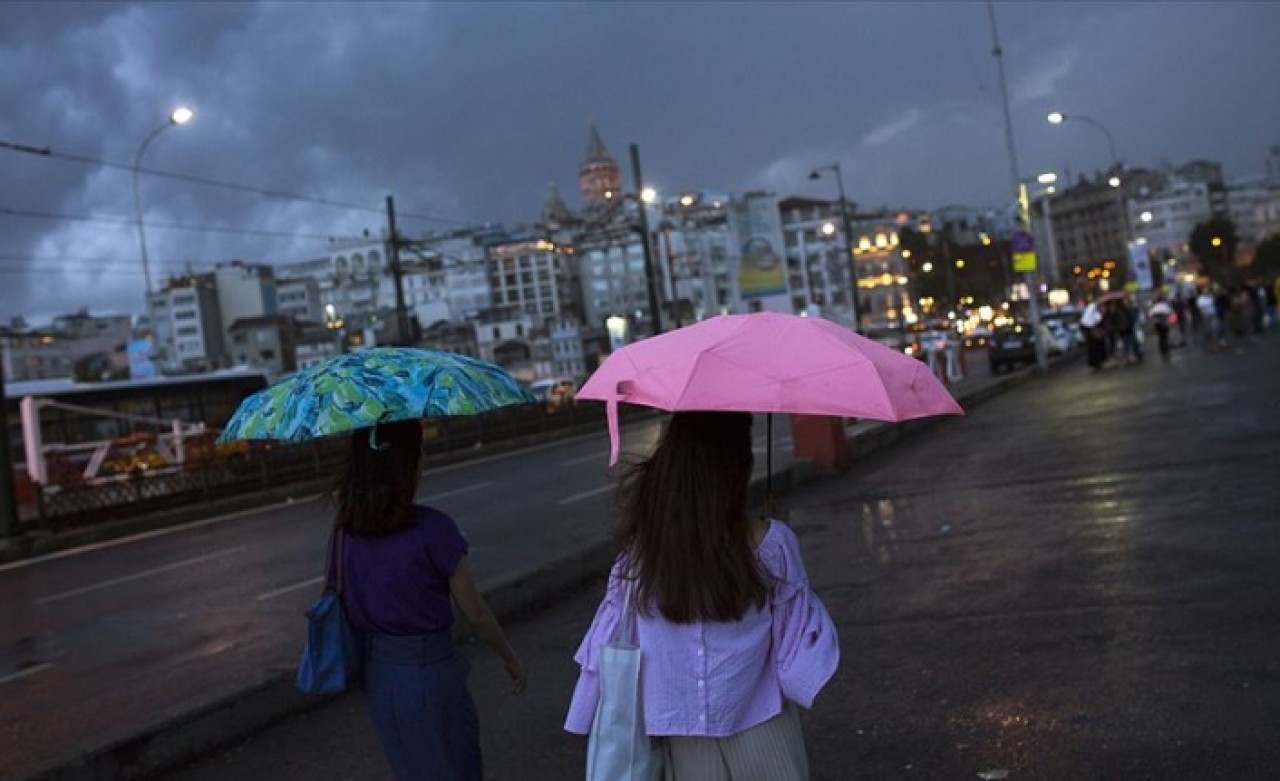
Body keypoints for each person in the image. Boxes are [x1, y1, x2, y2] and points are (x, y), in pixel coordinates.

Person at [565, 412, 839, 780]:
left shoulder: (641, 557)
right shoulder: (772, 546)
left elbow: (612, 642)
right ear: (738, 464)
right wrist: (776, 532)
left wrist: (586, 708)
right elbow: (796, 660)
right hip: (761, 728)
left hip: (680, 736)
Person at [334, 419, 528, 781]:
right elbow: (475, 612)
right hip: (428, 672)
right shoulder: (433, 529)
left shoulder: (346, 531)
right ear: (409, 464)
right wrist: (511, 658)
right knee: (455, 768)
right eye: (420, 452)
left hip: (379, 677)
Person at [1081, 301, 1108, 371]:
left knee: (1096, 348)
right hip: (1090, 330)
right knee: (1094, 348)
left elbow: (1097, 321)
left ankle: (1097, 362)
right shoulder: (1091, 309)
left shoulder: (1097, 314)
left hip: (1092, 330)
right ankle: (1096, 362)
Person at [1149, 294, 1174, 363]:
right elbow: (1169, 313)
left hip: (1157, 324)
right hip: (1164, 323)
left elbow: (1150, 315)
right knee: (1165, 335)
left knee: (1160, 336)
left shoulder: (1154, 307)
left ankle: (1162, 347)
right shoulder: (1165, 306)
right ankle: (1165, 346)